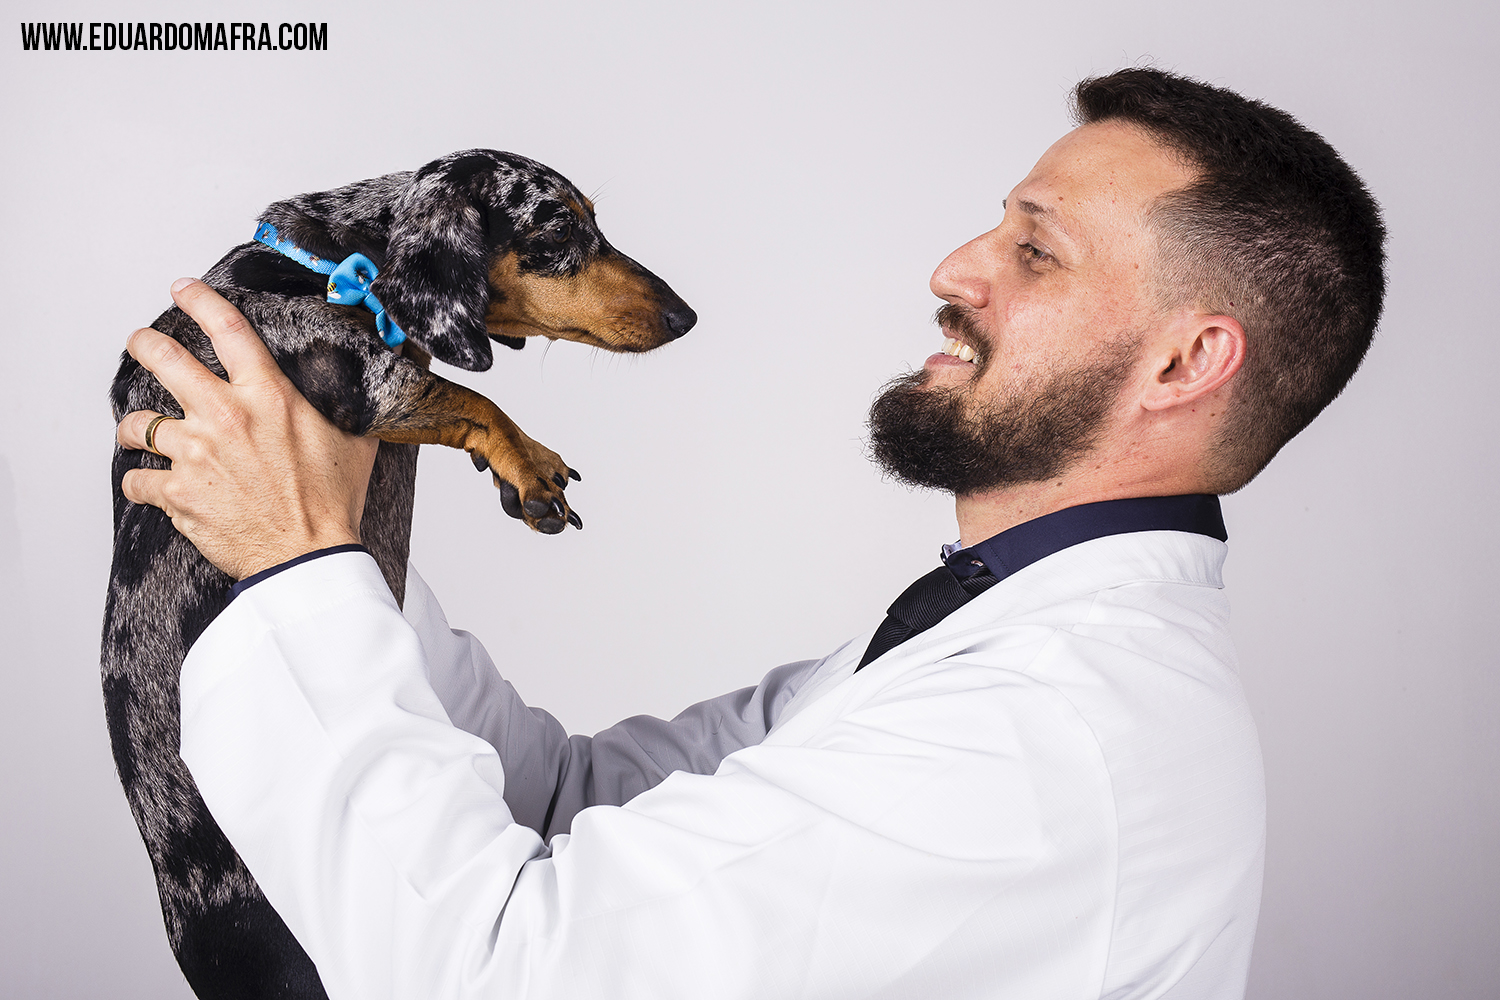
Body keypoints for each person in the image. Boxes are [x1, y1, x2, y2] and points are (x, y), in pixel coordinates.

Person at [116, 68, 1385, 999]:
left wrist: (299, 567)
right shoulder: (987, 642)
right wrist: (325, 531)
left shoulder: (1049, 745)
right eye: (994, 223)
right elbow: (566, 798)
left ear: (1184, 361)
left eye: (1033, 252)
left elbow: (489, 974)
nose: (954, 266)